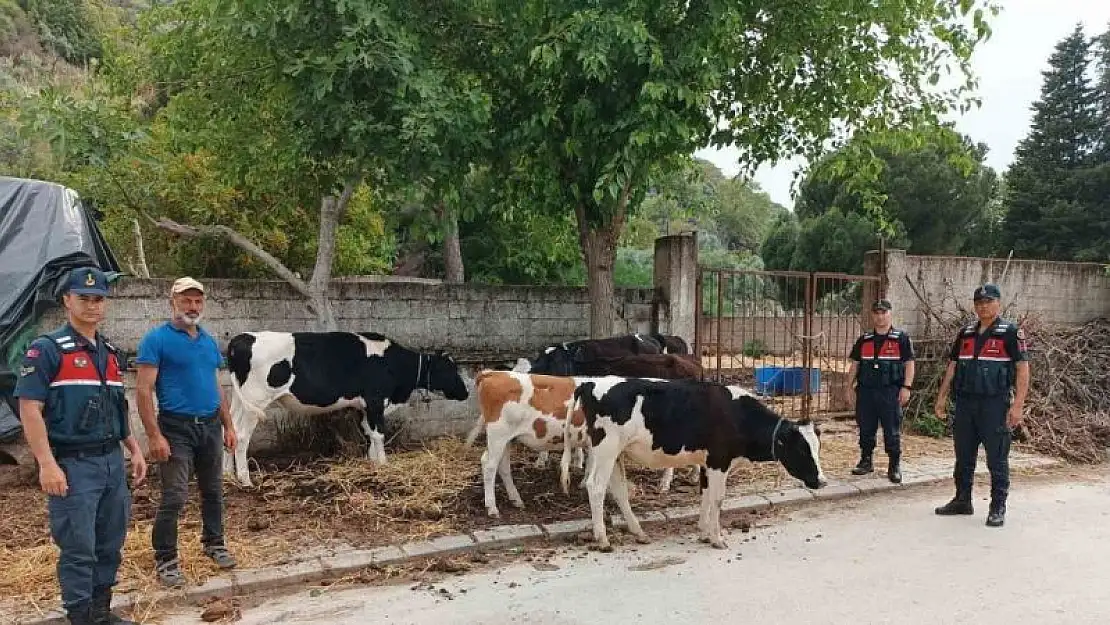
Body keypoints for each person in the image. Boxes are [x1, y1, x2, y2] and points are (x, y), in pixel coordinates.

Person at [13, 266, 147, 625]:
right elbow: (30, 409)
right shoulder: (48, 350)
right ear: (67, 300)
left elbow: (117, 406)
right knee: (78, 549)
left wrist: (133, 448)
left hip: (111, 462)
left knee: (109, 544)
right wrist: (46, 463)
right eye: (84, 298)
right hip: (73, 466)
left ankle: (101, 613)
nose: (92, 305)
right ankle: (81, 617)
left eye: (99, 299)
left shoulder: (109, 352)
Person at [135, 277, 237, 588]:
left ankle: (214, 544)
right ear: (173, 302)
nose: (192, 307)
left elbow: (215, 385)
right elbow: (143, 390)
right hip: (176, 428)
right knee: (175, 495)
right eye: (186, 300)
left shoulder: (207, 341)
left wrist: (228, 424)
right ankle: (166, 559)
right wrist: (154, 435)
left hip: (209, 426)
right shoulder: (156, 340)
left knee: (213, 491)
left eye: (197, 301)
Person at [933, 283, 1029, 528]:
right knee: (963, 455)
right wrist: (942, 396)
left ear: (998, 303)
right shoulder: (965, 333)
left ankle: (998, 506)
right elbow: (953, 366)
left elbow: (1022, 369)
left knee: (997, 458)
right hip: (965, 403)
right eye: (979, 302)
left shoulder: (1010, 332)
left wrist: (1017, 406)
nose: (983, 306)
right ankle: (962, 500)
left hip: (994, 405)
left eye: (988, 301)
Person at [847, 298, 916, 483]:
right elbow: (855, 364)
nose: (880, 317)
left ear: (890, 314)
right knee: (866, 428)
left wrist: (906, 387)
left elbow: (909, 364)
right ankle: (866, 461)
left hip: (890, 391)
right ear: (872, 315)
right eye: (876, 313)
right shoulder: (864, 340)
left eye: (883, 313)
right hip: (866, 392)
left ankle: (894, 465)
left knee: (891, 430)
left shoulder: (901, 338)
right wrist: (848, 387)